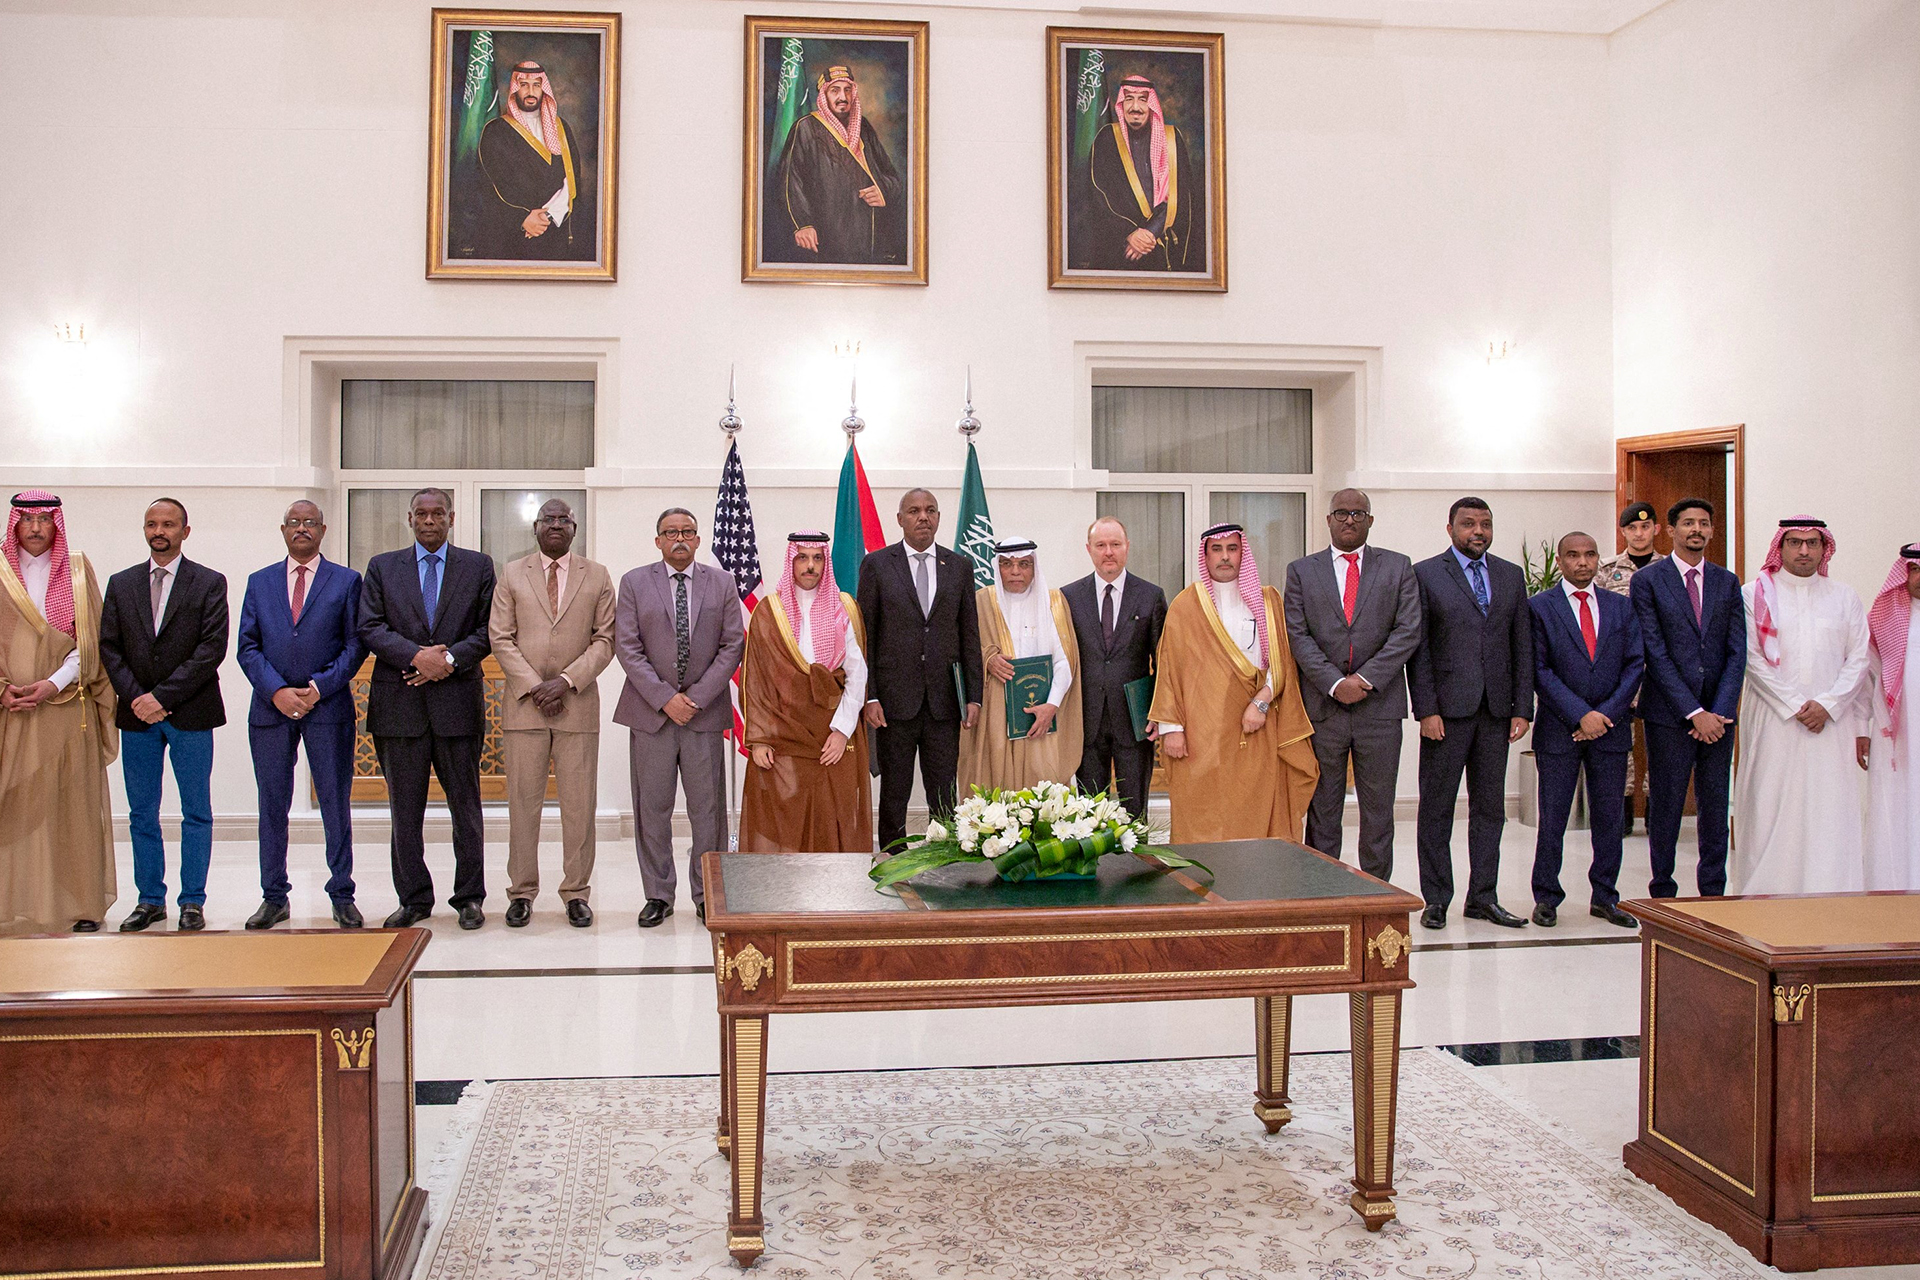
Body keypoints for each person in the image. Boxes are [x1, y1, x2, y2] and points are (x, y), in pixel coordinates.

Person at [358, 488, 496, 930]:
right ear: (410, 519)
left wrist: (448, 660)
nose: (430, 520)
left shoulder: (477, 567)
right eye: (422, 513)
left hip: (457, 705)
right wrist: (417, 657)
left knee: (466, 810)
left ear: (451, 519)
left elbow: (489, 628)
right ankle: (413, 898)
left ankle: (469, 897)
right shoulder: (383, 567)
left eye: (438, 513)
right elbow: (369, 626)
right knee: (405, 812)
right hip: (399, 706)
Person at [99, 498, 228, 933]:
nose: (160, 531)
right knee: (141, 813)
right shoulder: (121, 583)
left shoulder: (209, 582)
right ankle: (150, 900)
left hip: (191, 713)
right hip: (137, 716)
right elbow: (109, 647)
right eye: (152, 524)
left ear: (185, 531)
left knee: (196, 811)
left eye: (169, 524)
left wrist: (162, 697)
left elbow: (211, 650)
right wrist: (139, 697)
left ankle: (192, 901)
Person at [234, 501, 366, 929]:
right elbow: (247, 647)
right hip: (270, 709)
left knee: (334, 802)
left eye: (310, 522)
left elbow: (355, 645)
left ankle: (342, 894)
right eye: (294, 522)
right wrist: (276, 691)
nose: (302, 528)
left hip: (327, 707)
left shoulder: (346, 581)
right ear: (283, 530)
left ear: (323, 530)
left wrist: (317, 688)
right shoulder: (259, 582)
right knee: (272, 804)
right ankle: (274, 896)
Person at [613, 508, 745, 926]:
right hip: (651, 715)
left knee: (708, 812)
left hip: (702, 716)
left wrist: (696, 698)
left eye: (687, 531)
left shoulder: (721, 582)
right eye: (671, 532)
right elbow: (627, 646)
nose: (680, 539)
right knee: (652, 809)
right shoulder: (634, 582)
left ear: (698, 539)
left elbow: (732, 645)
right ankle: (658, 894)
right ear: (658, 541)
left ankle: (708, 894)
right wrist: (665, 698)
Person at [1283, 489, 1422, 880]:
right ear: (1328, 519)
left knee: (1378, 812)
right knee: (1322, 810)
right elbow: (1297, 634)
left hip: (1379, 709)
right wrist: (1333, 683)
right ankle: (1323, 892)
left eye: (1358, 514)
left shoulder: (1397, 567)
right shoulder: (1301, 571)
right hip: (1323, 710)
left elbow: (1408, 630)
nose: (1349, 520)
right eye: (1341, 513)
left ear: (1370, 521)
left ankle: (1376, 894)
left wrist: (1364, 679)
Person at [489, 499, 615, 928]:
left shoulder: (596, 575)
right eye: (549, 519)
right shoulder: (512, 574)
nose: (556, 525)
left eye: (564, 519)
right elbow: (500, 637)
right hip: (525, 708)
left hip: (576, 705)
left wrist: (564, 681)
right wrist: (535, 687)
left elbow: (605, 639)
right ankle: (521, 892)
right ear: (536, 527)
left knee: (579, 807)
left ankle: (576, 892)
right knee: (523, 805)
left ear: (574, 528)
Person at [1407, 497, 1533, 930]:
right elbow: (1419, 650)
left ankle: (1483, 897)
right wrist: (1426, 709)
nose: (1478, 531)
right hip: (1445, 713)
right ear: (1450, 529)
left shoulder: (1510, 575)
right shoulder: (1426, 574)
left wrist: (1522, 708)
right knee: (1436, 809)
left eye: (1485, 524)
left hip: (1495, 712)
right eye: (1468, 524)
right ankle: (1436, 899)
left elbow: (1522, 646)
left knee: (1490, 811)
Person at [1148, 523, 1317, 843]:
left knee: (1253, 809)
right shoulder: (1185, 605)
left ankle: (1254, 874)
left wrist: (1261, 702)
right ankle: (1200, 874)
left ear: (1243, 554)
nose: (1225, 557)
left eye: (1232, 549)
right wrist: (1171, 729)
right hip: (1199, 734)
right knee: (1201, 812)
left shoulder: (1268, 601)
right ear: (1205, 556)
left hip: (1254, 728)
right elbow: (1169, 668)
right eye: (1217, 549)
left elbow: (1281, 662)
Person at [1729, 519, 1870, 895]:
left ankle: (1830, 890)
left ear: (1825, 549)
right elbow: (1750, 658)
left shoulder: (1844, 596)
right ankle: (1767, 892)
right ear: (1781, 547)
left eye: (1812, 543)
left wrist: (1828, 704)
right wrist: (1795, 705)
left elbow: (1859, 658)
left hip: (1832, 723)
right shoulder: (1754, 594)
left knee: (1829, 806)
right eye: (1794, 542)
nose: (1804, 551)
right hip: (1774, 719)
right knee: (1770, 803)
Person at [0, 492, 117, 934]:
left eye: (45, 519)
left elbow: (90, 642)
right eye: (27, 519)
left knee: (71, 808)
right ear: (14, 524)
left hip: (67, 709)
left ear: (57, 524)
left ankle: (80, 904)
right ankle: (10, 904)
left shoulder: (77, 571)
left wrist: (54, 682)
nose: (35, 528)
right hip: (10, 713)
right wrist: (3, 690)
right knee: (12, 808)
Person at [1526, 532, 1644, 929]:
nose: (1582, 562)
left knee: (1609, 818)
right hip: (1559, 730)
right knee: (1553, 818)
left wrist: (1603, 716)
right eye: (1573, 555)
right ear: (1560, 561)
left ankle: (1605, 897)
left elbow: (1634, 664)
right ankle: (1547, 897)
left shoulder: (1620, 606)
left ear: (1598, 559)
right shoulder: (1539, 607)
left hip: (1610, 729)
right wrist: (1580, 715)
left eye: (1590, 554)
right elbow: (1539, 669)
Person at [1630, 497, 1745, 899]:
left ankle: (1713, 892)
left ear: (1712, 530)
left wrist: (1719, 710)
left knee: (1715, 807)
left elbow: (1737, 652)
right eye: (1688, 523)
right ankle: (1663, 891)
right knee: (1666, 806)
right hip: (1669, 715)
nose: (1697, 529)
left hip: (1719, 718)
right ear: (1671, 530)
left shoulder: (1727, 582)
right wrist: (1694, 712)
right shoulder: (1648, 581)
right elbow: (1654, 651)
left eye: (1704, 523)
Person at [858, 489, 983, 851]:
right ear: (900, 519)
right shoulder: (878, 564)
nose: (923, 517)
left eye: (930, 510)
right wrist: (871, 695)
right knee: (894, 789)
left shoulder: (959, 566)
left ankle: (943, 857)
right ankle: (893, 859)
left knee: (943, 790)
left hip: (944, 702)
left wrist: (973, 696)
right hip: (893, 702)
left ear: (939, 518)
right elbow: (866, 635)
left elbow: (969, 634)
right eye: (913, 511)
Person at [739, 531, 872, 852]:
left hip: (831, 733)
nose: (810, 566)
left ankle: (832, 884)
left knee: (833, 817)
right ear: (791, 561)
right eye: (802, 557)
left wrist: (841, 731)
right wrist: (759, 739)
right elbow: (756, 679)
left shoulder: (843, 608)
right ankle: (785, 884)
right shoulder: (770, 611)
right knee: (783, 821)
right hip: (784, 735)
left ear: (826, 562)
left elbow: (857, 676)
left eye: (817, 558)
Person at [1062, 516, 1166, 819]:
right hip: (1086, 721)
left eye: (1115, 544)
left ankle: (1137, 853)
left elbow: (1164, 661)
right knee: (1089, 814)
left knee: (1135, 813)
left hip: (1135, 721)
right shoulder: (1069, 597)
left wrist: (1160, 711)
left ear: (1127, 547)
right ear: (1089, 549)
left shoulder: (1150, 596)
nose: (1109, 552)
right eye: (1101, 545)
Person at [960, 538, 1083, 793]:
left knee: (1041, 792)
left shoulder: (1053, 602)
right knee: (994, 788)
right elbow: (962, 649)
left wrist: (1052, 705)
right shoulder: (981, 601)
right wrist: (987, 659)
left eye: (1024, 564)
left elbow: (1064, 661)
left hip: (1040, 714)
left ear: (1034, 567)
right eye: (1007, 564)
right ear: (997, 567)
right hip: (994, 717)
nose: (1015, 571)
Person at [771, 65, 906, 266]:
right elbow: (790, 181)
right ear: (824, 95)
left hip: (871, 239)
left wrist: (883, 190)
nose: (842, 97)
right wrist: (802, 224)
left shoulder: (863, 127)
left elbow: (892, 177)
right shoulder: (805, 127)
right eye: (835, 90)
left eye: (847, 90)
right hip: (829, 237)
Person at [476, 61, 593, 260]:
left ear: (543, 88)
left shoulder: (561, 128)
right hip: (512, 238)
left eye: (536, 85)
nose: (531, 92)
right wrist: (522, 219)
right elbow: (487, 186)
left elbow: (571, 180)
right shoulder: (496, 131)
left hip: (555, 232)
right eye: (524, 85)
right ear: (515, 88)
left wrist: (548, 216)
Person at [1596, 500, 1666, 833]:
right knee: (1619, 740)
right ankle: (1621, 813)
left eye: (1645, 526)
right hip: (1619, 667)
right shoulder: (1606, 570)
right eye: (1632, 528)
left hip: (1659, 668)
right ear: (1623, 531)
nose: (1639, 533)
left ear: (1656, 529)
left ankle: (1655, 813)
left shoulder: (1669, 569)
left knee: (1658, 743)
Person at [1087, 75, 1201, 271]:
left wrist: (1150, 232)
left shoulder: (1172, 139)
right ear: (1121, 104)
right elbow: (1097, 194)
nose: (1135, 107)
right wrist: (1130, 233)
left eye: (1143, 99)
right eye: (1129, 99)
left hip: (1161, 245)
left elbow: (1182, 195)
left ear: (1152, 105)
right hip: (1120, 247)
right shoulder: (1107, 138)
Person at [1864, 544, 1920, 889]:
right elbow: (1867, 679)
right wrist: (1863, 728)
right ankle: (1895, 888)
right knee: (1896, 807)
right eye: (1915, 570)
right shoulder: (1885, 619)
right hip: (1896, 736)